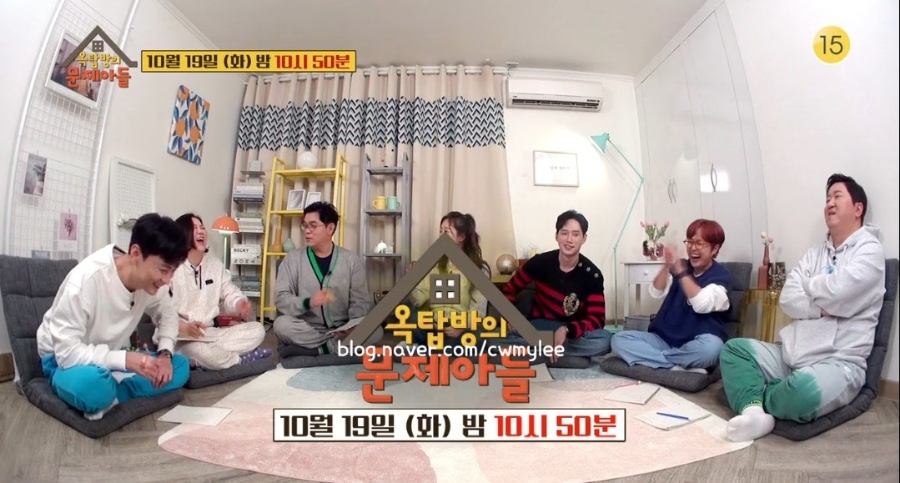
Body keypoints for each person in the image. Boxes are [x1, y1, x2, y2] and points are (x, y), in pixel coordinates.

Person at [720, 174, 886, 442]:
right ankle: (754, 414)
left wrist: (808, 284)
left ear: (858, 208)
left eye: (837, 196)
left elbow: (840, 293)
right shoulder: (814, 253)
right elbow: (788, 299)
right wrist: (819, 309)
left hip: (838, 362)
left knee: (803, 392)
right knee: (733, 350)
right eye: (827, 198)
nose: (829, 203)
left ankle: (756, 395)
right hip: (791, 356)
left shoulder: (870, 251)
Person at [35, 213, 191, 420]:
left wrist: (164, 355)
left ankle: (112, 396)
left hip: (109, 354)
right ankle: (108, 390)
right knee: (94, 387)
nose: (167, 280)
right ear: (135, 253)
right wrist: (126, 360)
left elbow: (168, 313)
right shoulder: (86, 280)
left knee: (180, 366)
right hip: (62, 358)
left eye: (173, 271)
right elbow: (67, 353)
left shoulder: (152, 284)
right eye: (163, 270)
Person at [610, 219, 731, 374]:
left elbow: (701, 305)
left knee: (712, 348)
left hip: (697, 343)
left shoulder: (722, 277)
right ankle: (677, 366)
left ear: (715, 249)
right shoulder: (680, 265)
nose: (693, 248)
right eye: (690, 242)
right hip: (663, 339)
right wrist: (667, 265)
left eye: (699, 243)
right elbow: (655, 292)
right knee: (619, 340)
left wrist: (681, 272)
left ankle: (657, 360)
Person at [499, 210, 612, 363]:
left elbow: (597, 319)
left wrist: (567, 330)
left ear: (584, 238)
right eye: (564, 233)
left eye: (575, 234)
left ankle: (537, 352)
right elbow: (509, 289)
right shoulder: (539, 263)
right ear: (556, 236)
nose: (569, 239)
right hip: (540, 326)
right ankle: (563, 354)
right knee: (496, 338)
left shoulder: (592, 274)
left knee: (605, 341)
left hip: (571, 331)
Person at [273, 201, 380, 357]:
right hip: (307, 328)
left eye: (313, 226)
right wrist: (308, 302)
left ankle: (316, 349)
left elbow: (360, 301)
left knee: (375, 328)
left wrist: (353, 325)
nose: (307, 231)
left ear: (330, 228)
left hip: (343, 328)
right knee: (281, 325)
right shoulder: (292, 259)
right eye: (305, 226)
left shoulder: (351, 260)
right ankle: (334, 347)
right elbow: (281, 299)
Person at [169, 214, 272, 370]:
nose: (201, 232)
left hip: (212, 334)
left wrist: (239, 303)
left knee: (258, 330)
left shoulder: (216, 266)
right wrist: (183, 327)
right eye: (194, 228)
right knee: (202, 352)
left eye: (202, 228)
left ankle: (213, 358)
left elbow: (230, 292)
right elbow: (162, 313)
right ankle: (238, 359)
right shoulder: (171, 268)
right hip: (184, 337)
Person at [402, 212, 491, 351]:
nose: (441, 236)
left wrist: (460, 326)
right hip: (436, 323)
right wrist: (413, 280)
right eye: (440, 231)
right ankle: (430, 346)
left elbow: (478, 310)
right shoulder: (435, 264)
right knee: (411, 315)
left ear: (461, 237)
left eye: (446, 232)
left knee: (476, 337)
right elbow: (419, 300)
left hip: (463, 325)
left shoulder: (478, 269)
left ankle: (429, 347)